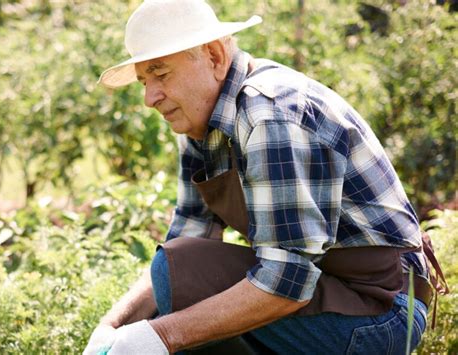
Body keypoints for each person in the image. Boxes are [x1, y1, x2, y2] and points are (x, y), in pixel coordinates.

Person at [84, 0, 446, 354]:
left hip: (384, 309)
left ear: (213, 56)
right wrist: (112, 326)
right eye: (143, 80)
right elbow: (187, 238)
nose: (150, 97)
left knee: (174, 290)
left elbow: (287, 282)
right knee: (174, 278)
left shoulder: (270, 114)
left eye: (160, 73)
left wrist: (160, 337)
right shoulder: (199, 125)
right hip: (328, 292)